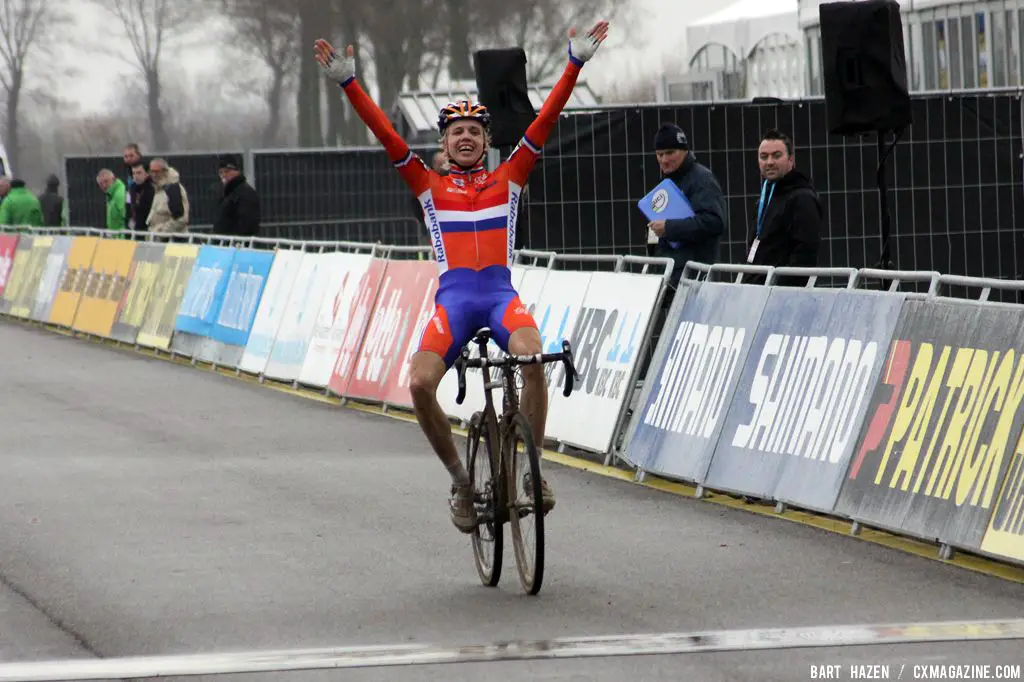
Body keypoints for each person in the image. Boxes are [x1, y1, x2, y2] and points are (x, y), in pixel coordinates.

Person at [313, 20, 609, 533]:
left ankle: (532, 473)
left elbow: (547, 120)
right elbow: (386, 134)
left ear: (486, 141)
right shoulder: (426, 184)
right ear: (444, 145)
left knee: (534, 354)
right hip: (453, 304)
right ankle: (460, 481)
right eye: (457, 133)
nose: (467, 137)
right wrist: (349, 84)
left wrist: (574, 64)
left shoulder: (509, 177)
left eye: (475, 131)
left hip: (499, 298)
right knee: (420, 383)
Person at [645, 122, 726, 292]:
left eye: (670, 153)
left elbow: (714, 222)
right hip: (671, 277)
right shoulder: (668, 181)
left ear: (685, 151)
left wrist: (668, 227)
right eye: (659, 154)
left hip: (693, 280)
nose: (664, 160)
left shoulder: (702, 179)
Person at [744, 128, 822, 286]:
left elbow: (805, 254)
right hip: (758, 291)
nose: (769, 162)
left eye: (777, 155)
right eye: (764, 157)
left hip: (782, 296)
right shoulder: (764, 200)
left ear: (791, 160)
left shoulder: (802, 198)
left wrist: (779, 288)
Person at [213, 154, 260, 237]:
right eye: (221, 172)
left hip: (237, 245)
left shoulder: (245, 193)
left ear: (236, 171)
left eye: (227, 171)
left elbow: (248, 223)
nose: (223, 175)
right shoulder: (225, 194)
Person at [97, 169, 127, 235]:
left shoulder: (119, 194)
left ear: (113, 179)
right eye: (101, 184)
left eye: (106, 181)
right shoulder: (111, 194)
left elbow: (126, 219)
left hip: (122, 239)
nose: (104, 186)